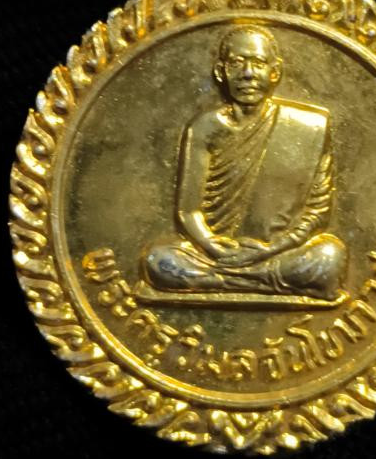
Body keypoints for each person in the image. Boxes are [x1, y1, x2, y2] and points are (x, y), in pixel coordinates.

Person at [143, 24, 347, 300]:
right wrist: (212, 246)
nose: (248, 73)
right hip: (215, 254)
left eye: (258, 63)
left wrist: (271, 249)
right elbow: (188, 212)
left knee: (330, 257)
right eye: (237, 63)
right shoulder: (204, 127)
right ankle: (259, 280)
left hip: (278, 252)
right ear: (221, 72)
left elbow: (318, 211)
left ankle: (227, 280)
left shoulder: (308, 127)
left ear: (274, 72)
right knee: (159, 260)